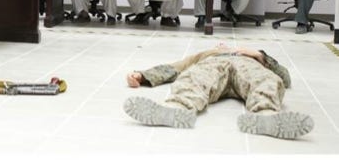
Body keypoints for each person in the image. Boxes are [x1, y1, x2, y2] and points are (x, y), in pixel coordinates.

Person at [124, 44, 314, 140]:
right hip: (213, 65)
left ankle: (266, 115)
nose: (226, 45)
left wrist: (259, 55)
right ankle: (176, 108)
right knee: (194, 78)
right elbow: (176, 67)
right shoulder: (208, 54)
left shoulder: (255, 57)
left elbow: (285, 78)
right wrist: (143, 75)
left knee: (267, 80)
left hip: (246, 66)